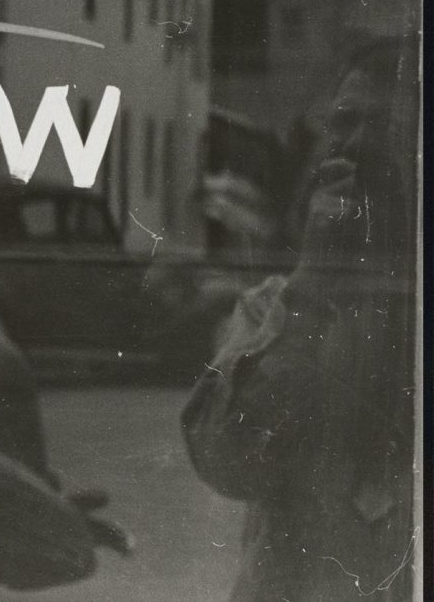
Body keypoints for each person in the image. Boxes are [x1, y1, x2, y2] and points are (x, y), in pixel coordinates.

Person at [181, 36, 419, 601]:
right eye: (343, 123)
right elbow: (227, 464)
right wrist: (312, 284)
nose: (351, 148)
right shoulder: (273, 310)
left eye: (382, 127)